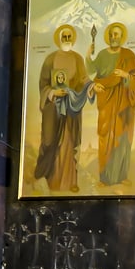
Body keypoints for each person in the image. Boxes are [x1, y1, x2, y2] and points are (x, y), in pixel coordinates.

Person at [34, 24, 92, 193]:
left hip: (71, 109)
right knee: (50, 141)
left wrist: (91, 87)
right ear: (59, 38)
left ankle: (70, 181)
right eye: (64, 36)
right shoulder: (50, 59)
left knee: (69, 142)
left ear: (72, 38)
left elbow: (83, 79)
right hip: (53, 109)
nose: (67, 39)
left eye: (69, 36)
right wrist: (52, 92)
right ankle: (50, 180)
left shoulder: (78, 59)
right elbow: (43, 84)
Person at [87, 21, 135, 185]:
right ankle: (105, 177)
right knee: (106, 136)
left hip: (123, 103)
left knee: (122, 138)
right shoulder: (103, 54)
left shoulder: (129, 55)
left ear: (122, 37)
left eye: (116, 34)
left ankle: (121, 176)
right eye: (111, 34)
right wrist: (88, 56)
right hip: (106, 101)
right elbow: (92, 71)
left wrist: (126, 76)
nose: (113, 37)